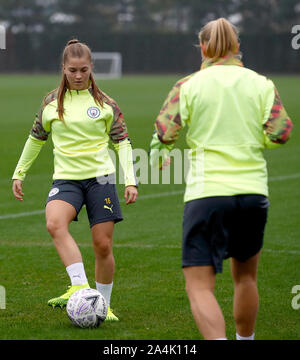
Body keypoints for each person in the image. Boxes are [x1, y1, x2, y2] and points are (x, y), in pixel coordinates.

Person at [149, 18, 293, 339]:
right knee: (246, 279)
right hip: (253, 193)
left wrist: (165, 149)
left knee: (200, 287)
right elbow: (281, 132)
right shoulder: (261, 83)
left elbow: (165, 130)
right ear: (238, 47)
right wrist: (256, 140)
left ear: (203, 48)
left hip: (207, 193)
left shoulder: (187, 85)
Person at [12, 39, 138, 322]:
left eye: (83, 69)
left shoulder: (105, 104)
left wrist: (131, 180)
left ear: (91, 68)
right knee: (54, 222)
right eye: (72, 70)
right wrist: (19, 173)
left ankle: (103, 306)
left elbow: (123, 143)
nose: (78, 75)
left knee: (102, 245)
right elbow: (36, 138)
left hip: (100, 180)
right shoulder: (50, 102)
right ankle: (80, 285)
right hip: (67, 179)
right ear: (63, 69)